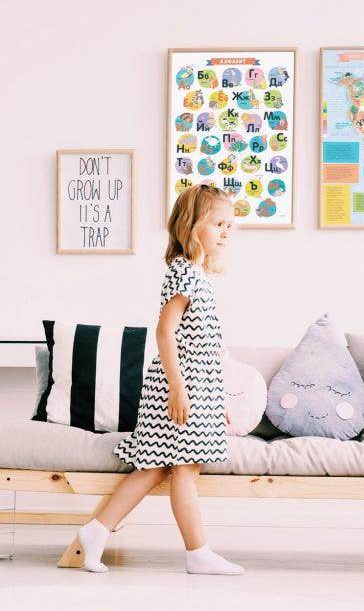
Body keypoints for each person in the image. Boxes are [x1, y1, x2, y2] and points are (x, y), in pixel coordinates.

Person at [77, 184, 244, 575]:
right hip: (180, 386)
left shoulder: (196, 275)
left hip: (197, 388)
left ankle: (97, 530)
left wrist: (216, 401)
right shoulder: (183, 274)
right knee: (184, 467)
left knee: (155, 467)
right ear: (192, 226)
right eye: (218, 224)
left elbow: (204, 347)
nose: (225, 232)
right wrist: (178, 390)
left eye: (229, 226)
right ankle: (197, 553)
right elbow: (165, 333)